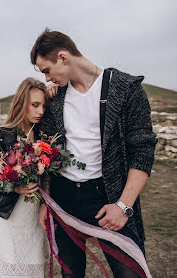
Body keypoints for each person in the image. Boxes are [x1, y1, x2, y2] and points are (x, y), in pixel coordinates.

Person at [31, 29, 157, 278]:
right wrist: (47, 202)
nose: (47, 79)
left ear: (64, 58)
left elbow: (142, 151)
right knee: (70, 274)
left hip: (108, 195)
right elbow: (48, 151)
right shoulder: (55, 98)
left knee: (129, 273)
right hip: (63, 197)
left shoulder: (126, 89)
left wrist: (123, 206)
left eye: (47, 70)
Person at [0, 77, 49, 278]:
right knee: (10, 271)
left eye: (44, 105)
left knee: (33, 270)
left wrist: (46, 203)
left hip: (34, 219)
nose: (41, 111)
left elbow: (49, 176)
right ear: (21, 103)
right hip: (8, 217)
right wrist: (15, 187)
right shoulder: (0, 136)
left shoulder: (44, 137)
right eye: (35, 105)